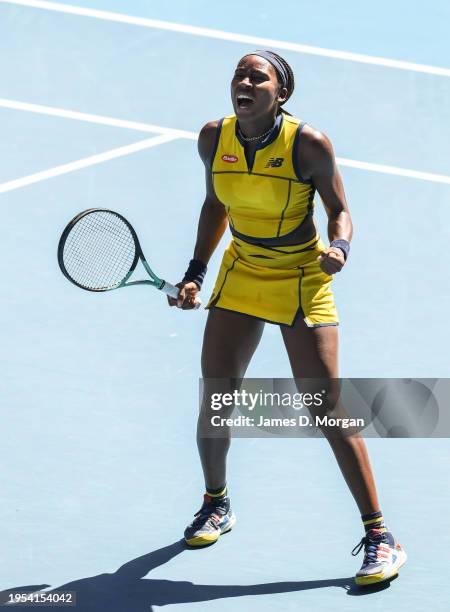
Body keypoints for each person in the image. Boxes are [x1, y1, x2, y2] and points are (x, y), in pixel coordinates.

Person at [168, 50, 406, 586]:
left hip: (301, 275)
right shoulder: (214, 138)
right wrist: (195, 273)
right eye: (239, 75)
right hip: (243, 268)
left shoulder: (307, 144)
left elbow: (339, 208)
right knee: (218, 394)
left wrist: (340, 248)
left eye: (258, 77)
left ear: (281, 93)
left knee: (325, 404)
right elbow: (215, 208)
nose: (245, 83)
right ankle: (216, 503)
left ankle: (380, 536)